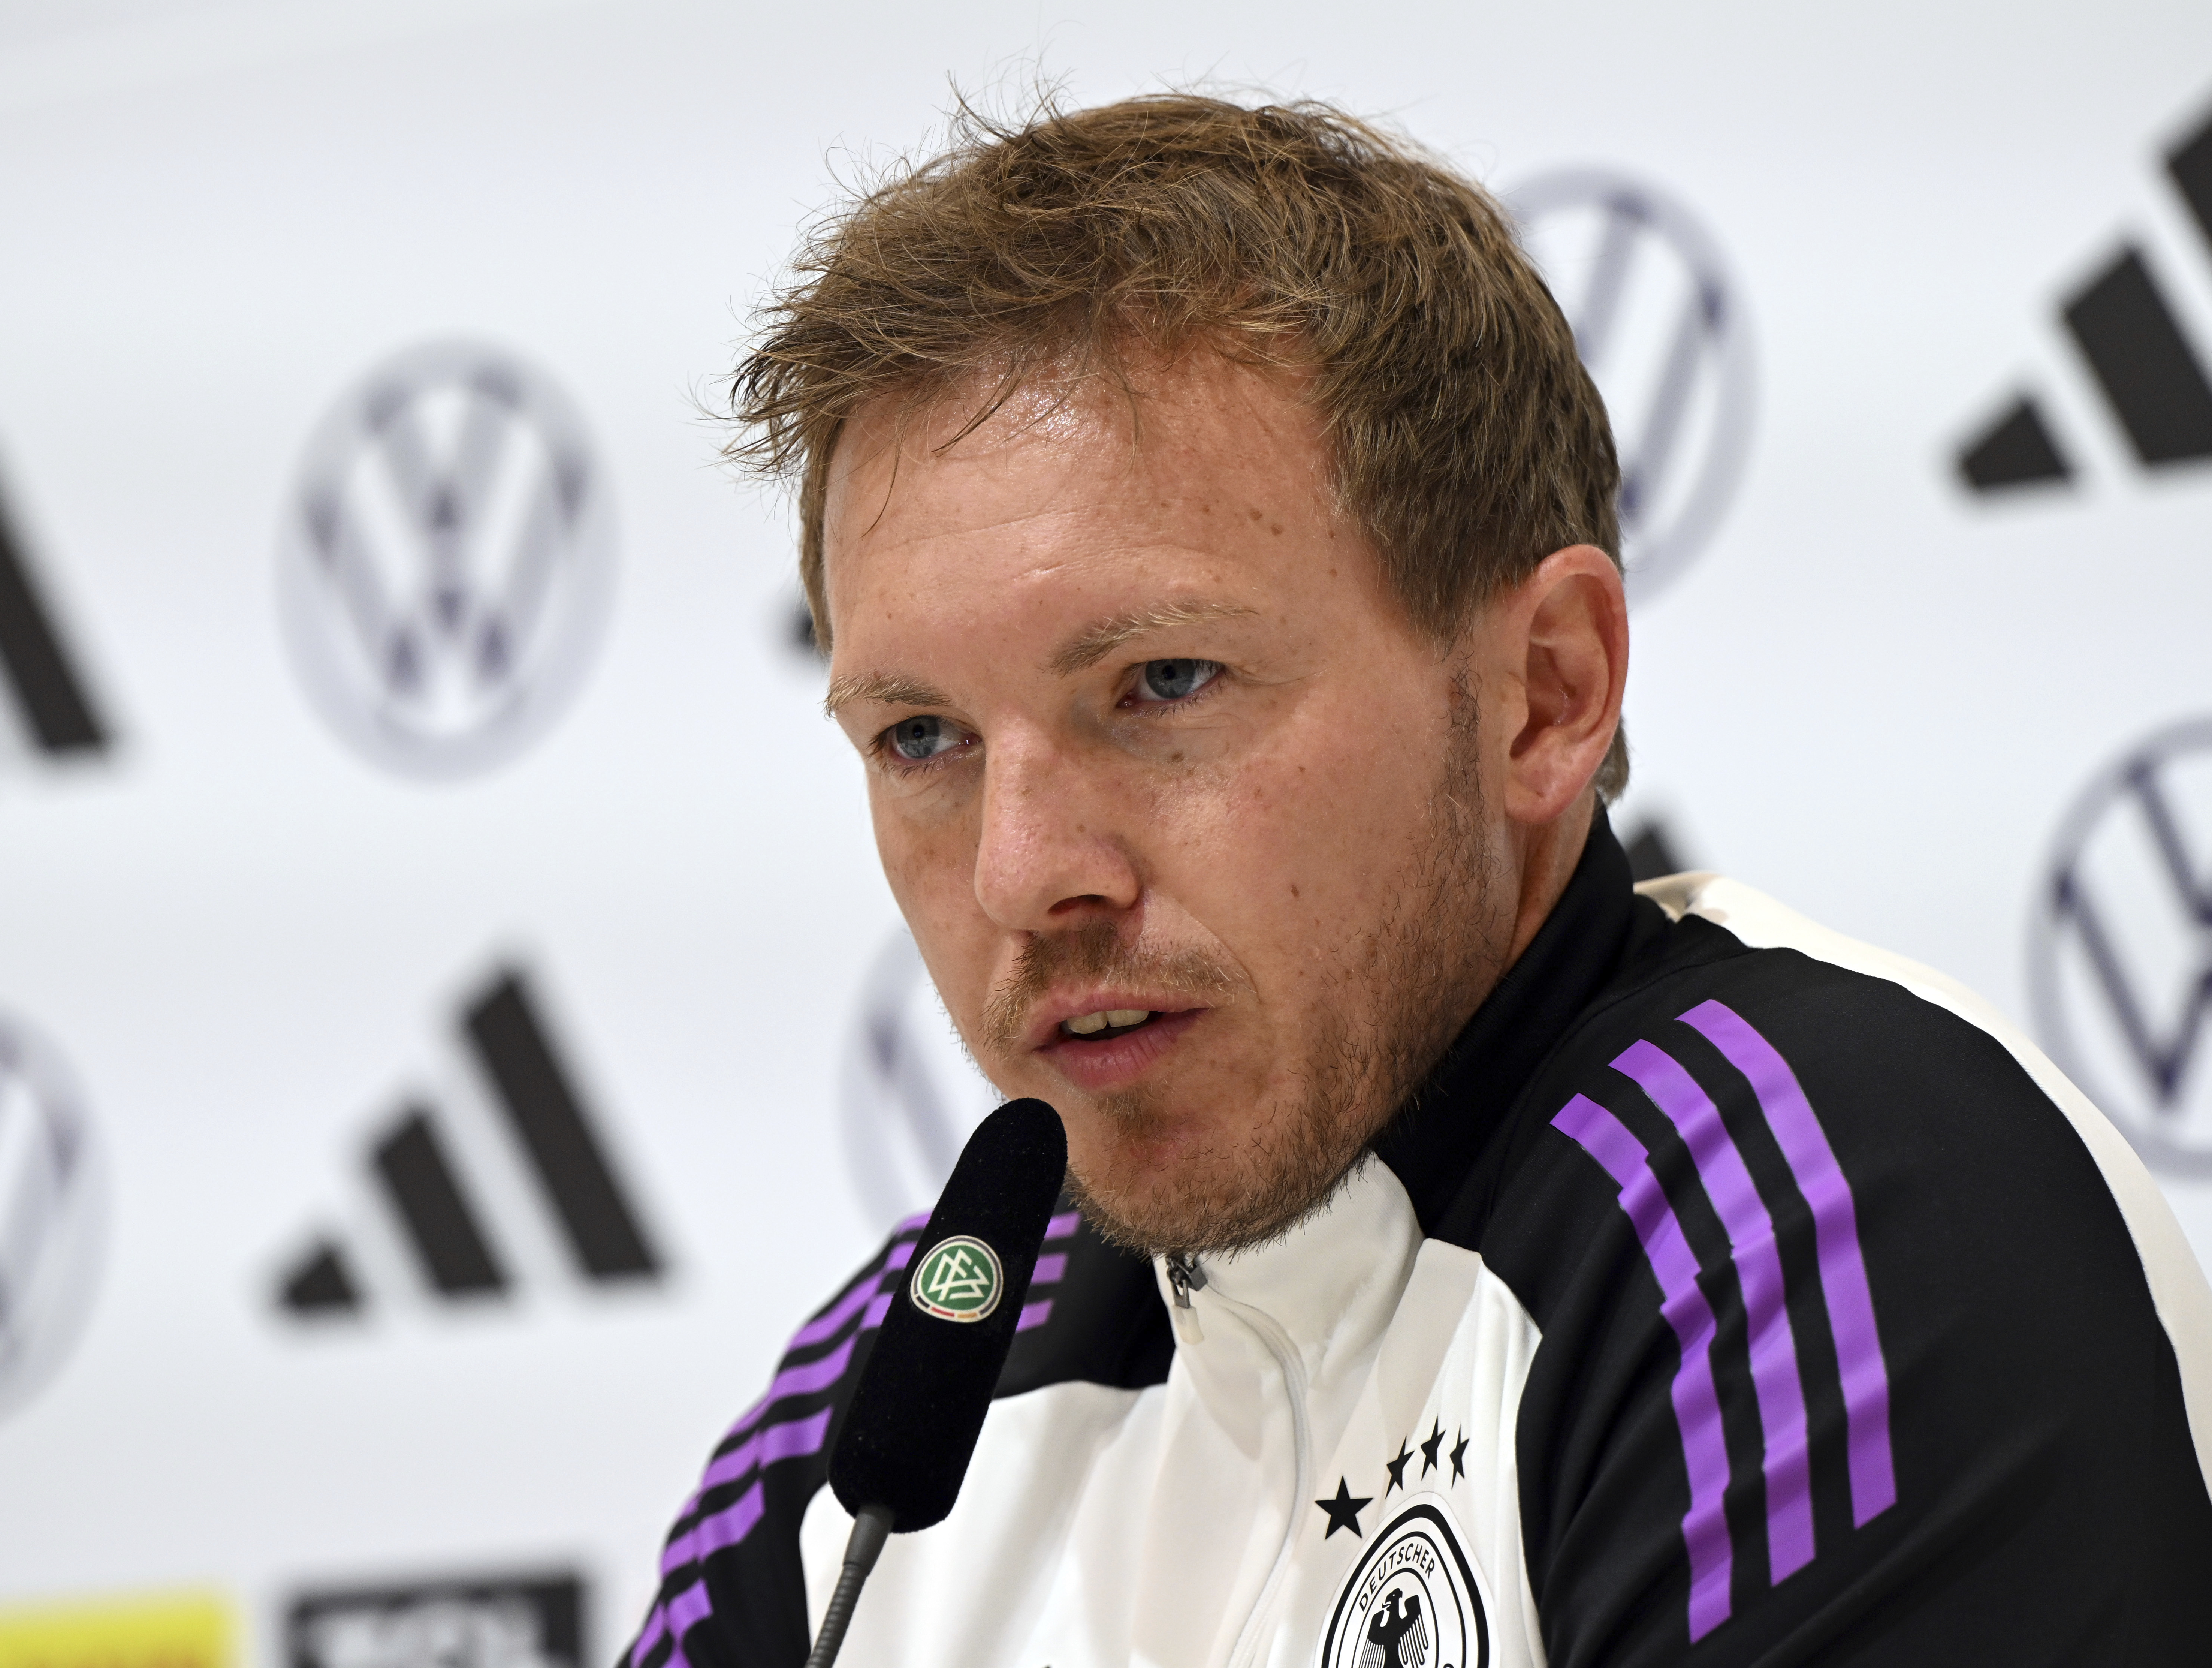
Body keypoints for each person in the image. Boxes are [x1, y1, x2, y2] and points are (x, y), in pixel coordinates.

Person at [625, 93, 2212, 1667]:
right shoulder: (883, 1415)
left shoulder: (1804, 1211)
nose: (1027, 873)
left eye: (1165, 682)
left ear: (1544, 692)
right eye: (920, 735)